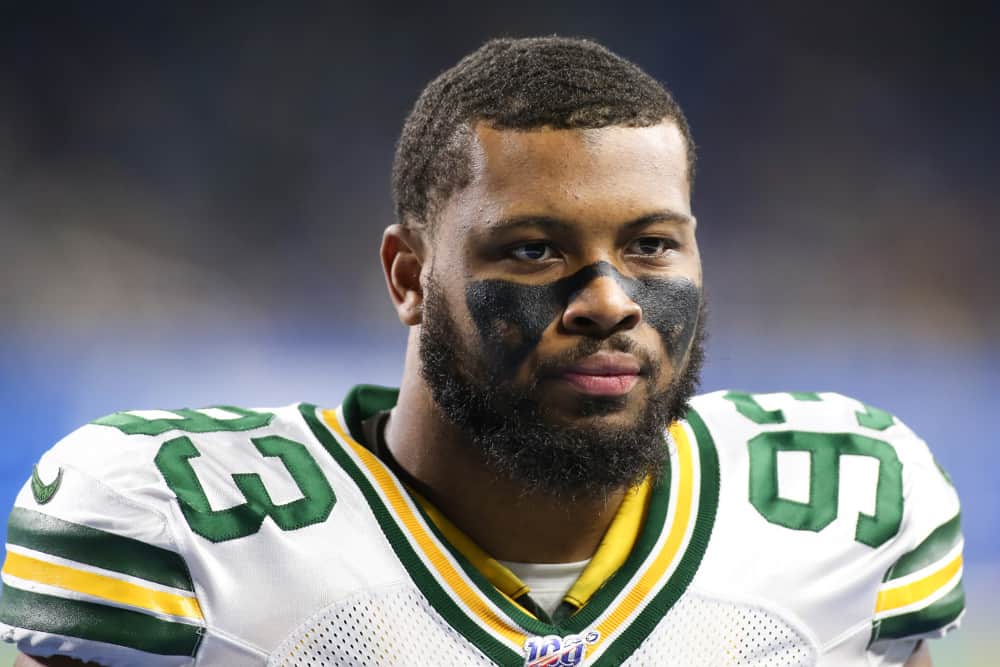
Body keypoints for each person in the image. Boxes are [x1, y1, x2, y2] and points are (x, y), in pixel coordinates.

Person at [1, 36, 962, 667]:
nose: (608, 302)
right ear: (408, 274)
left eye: (651, 245)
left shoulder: (844, 510)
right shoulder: (176, 529)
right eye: (535, 249)